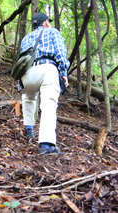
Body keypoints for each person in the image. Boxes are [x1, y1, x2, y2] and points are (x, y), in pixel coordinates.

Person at [19, 12, 70, 154]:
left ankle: (29, 128)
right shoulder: (53, 32)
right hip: (47, 68)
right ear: (46, 23)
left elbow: (22, 59)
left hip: (27, 73)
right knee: (48, 104)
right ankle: (46, 145)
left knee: (28, 97)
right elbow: (60, 53)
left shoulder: (26, 38)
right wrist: (63, 73)